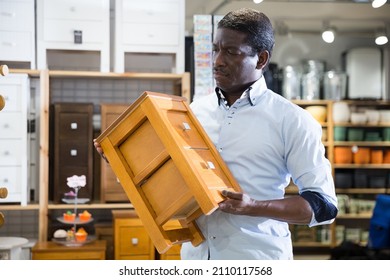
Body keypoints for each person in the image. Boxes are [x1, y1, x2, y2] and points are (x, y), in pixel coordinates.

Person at [94, 8, 338, 260]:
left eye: (231, 52)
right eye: (215, 49)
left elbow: (324, 206)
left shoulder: (292, 120)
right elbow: (175, 180)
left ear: (261, 59)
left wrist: (253, 207)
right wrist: (125, 160)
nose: (217, 61)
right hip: (196, 259)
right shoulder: (192, 113)